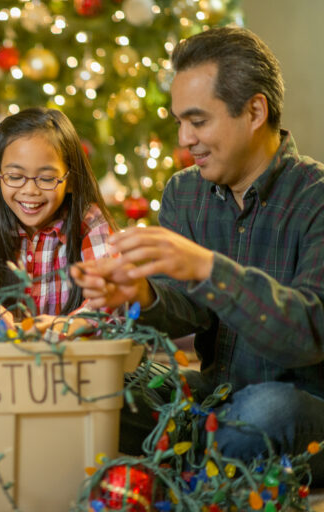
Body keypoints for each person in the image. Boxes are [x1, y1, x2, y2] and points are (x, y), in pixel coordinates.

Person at [71, 26, 324, 482]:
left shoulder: (316, 198)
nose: (185, 139)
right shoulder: (185, 193)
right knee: (105, 387)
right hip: (213, 396)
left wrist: (206, 268)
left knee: (269, 407)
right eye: (179, 123)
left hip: (302, 403)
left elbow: (308, 334)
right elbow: (186, 314)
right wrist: (144, 294)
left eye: (199, 120)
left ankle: (176, 468)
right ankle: (204, 464)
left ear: (254, 111)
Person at [0, 107, 116, 328]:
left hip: (73, 356)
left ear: (71, 179)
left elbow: (109, 296)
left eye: (47, 179)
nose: (30, 190)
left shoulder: (89, 222)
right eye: (15, 176)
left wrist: (67, 326)